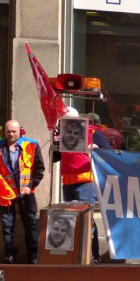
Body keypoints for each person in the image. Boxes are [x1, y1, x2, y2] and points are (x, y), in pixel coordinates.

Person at [53, 109, 112, 264]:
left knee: (87, 220)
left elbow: (109, 153)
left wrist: (96, 149)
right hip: (68, 183)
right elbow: (55, 158)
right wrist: (55, 143)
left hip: (86, 183)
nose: (66, 125)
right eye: (63, 122)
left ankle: (93, 256)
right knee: (71, 221)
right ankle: (75, 257)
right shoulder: (62, 133)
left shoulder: (93, 132)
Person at [0, 120, 45, 263]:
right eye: (8, 131)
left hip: (26, 193)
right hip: (5, 194)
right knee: (7, 225)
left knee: (30, 223)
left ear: (20, 131)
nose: (11, 134)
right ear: (3, 131)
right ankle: (9, 254)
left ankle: (33, 255)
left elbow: (39, 169)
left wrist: (30, 186)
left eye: (14, 131)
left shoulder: (32, 145)